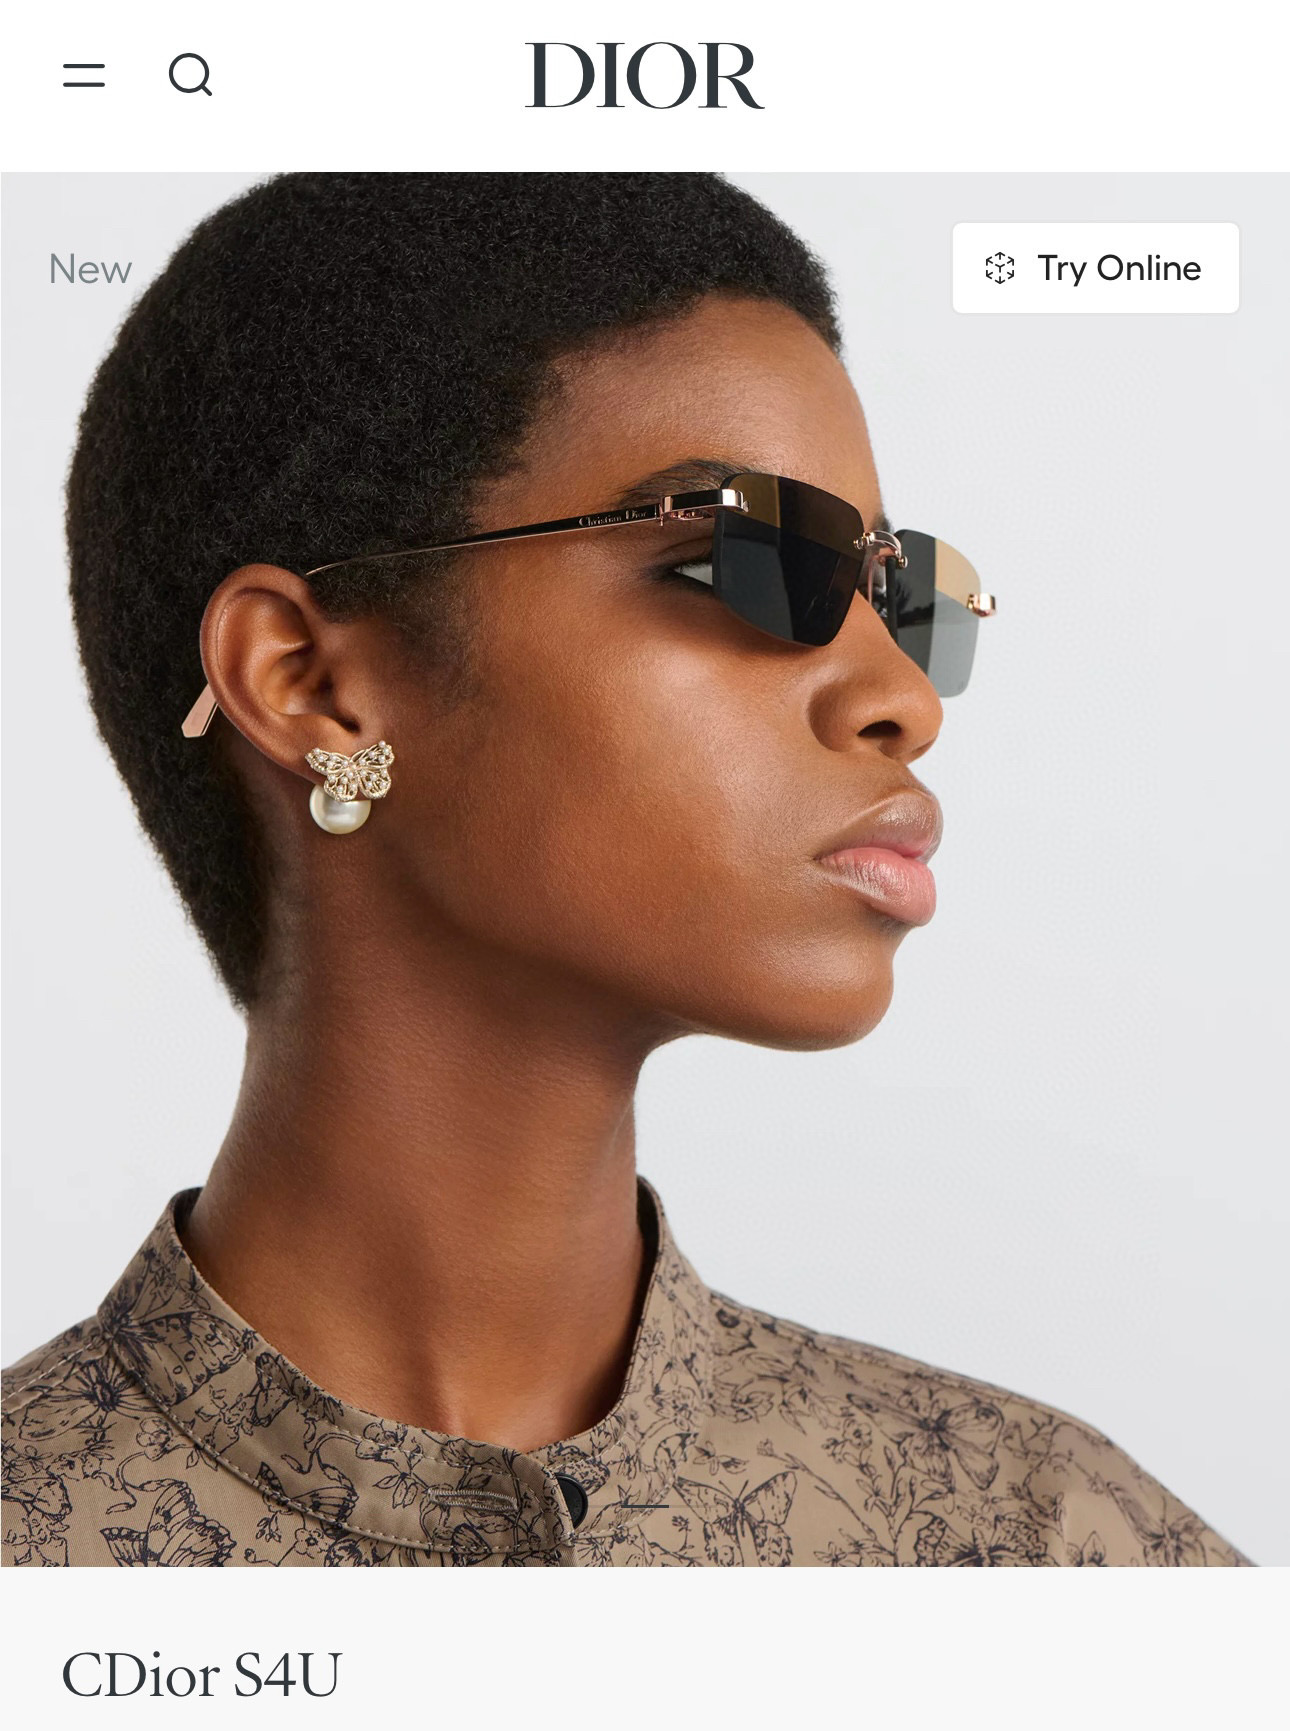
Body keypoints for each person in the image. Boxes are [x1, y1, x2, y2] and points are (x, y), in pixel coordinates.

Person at [1, 172, 1247, 1567]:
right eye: (743, 561)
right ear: (312, 686)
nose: (902, 696)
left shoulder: (1043, 1546)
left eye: (902, 596)